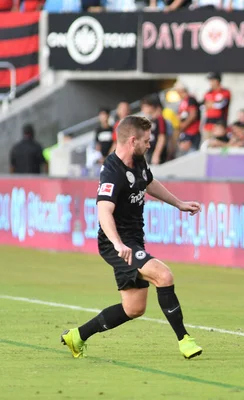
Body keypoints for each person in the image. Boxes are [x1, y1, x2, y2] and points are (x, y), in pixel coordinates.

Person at [60, 116, 203, 359]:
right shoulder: (112, 171)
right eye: (147, 141)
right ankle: (184, 340)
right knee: (164, 275)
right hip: (117, 242)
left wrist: (178, 203)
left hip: (133, 240)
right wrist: (117, 243)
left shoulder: (138, 160)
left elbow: (148, 182)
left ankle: (77, 336)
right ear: (133, 140)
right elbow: (104, 211)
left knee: (134, 308)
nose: (150, 145)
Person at [140, 96, 168, 166]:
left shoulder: (160, 119)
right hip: (150, 152)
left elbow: (162, 137)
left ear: (151, 106)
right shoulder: (150, 121)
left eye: (144, 107)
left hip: (158, 153)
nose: (143, 110)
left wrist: (157, 154)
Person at [174, 83, 201, 154]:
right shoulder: (182, 101)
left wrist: (184, 125)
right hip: (185, 132)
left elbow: (193, 114)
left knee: (191, 153)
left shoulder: (190, 99)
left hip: (192, 131)